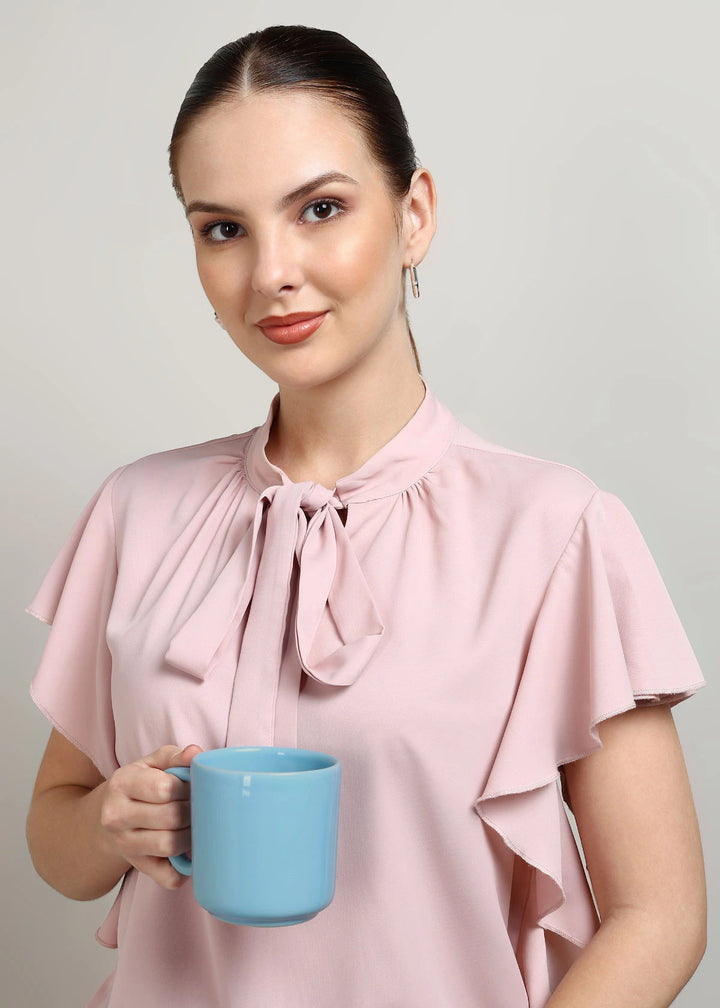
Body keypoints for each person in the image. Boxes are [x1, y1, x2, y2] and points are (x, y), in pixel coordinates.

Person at [25, 24, 706, 1008]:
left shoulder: (556, 530)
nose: (271, 273)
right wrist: (104, 826)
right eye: (223, 229)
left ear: (414, 213)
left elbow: (662, 914)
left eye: (321, 209)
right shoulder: (137, 511)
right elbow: (58, 840)